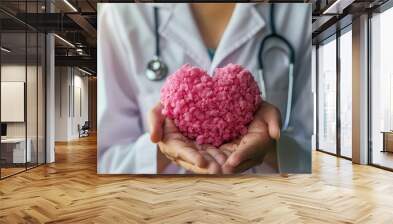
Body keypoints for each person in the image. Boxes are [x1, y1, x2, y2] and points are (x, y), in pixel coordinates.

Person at [98, 3, 312, 174]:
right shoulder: (120, 16)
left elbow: (313, 149)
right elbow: (106, 159)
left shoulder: (296, 15)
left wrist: (272, 148)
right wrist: (159, 145)